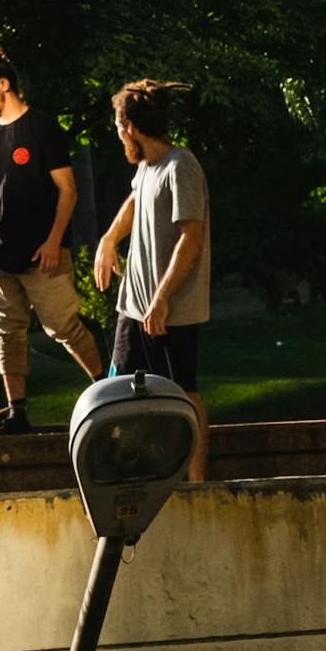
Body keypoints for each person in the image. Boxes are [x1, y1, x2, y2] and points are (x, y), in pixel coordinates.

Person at [0, 42, 104, 433]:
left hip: (43, 255)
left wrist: (54, 241)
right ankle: (18, 413)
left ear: (4, 84)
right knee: (7, 333)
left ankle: (107, 394)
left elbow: (68, 190)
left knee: (64, 328)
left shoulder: (42, 128)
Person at [93, 78, 211, 480]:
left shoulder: (182, 166)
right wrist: (110, 239)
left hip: (169, 310)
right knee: (119, 388)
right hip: (133, 306)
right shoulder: (147, 168)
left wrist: (161, 298)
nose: (117, 133)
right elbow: (134, 201)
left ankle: (198, 484)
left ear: (131, 127)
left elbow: (191, 237)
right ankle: (130, 475)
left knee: (182, 393)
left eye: (117, 125)